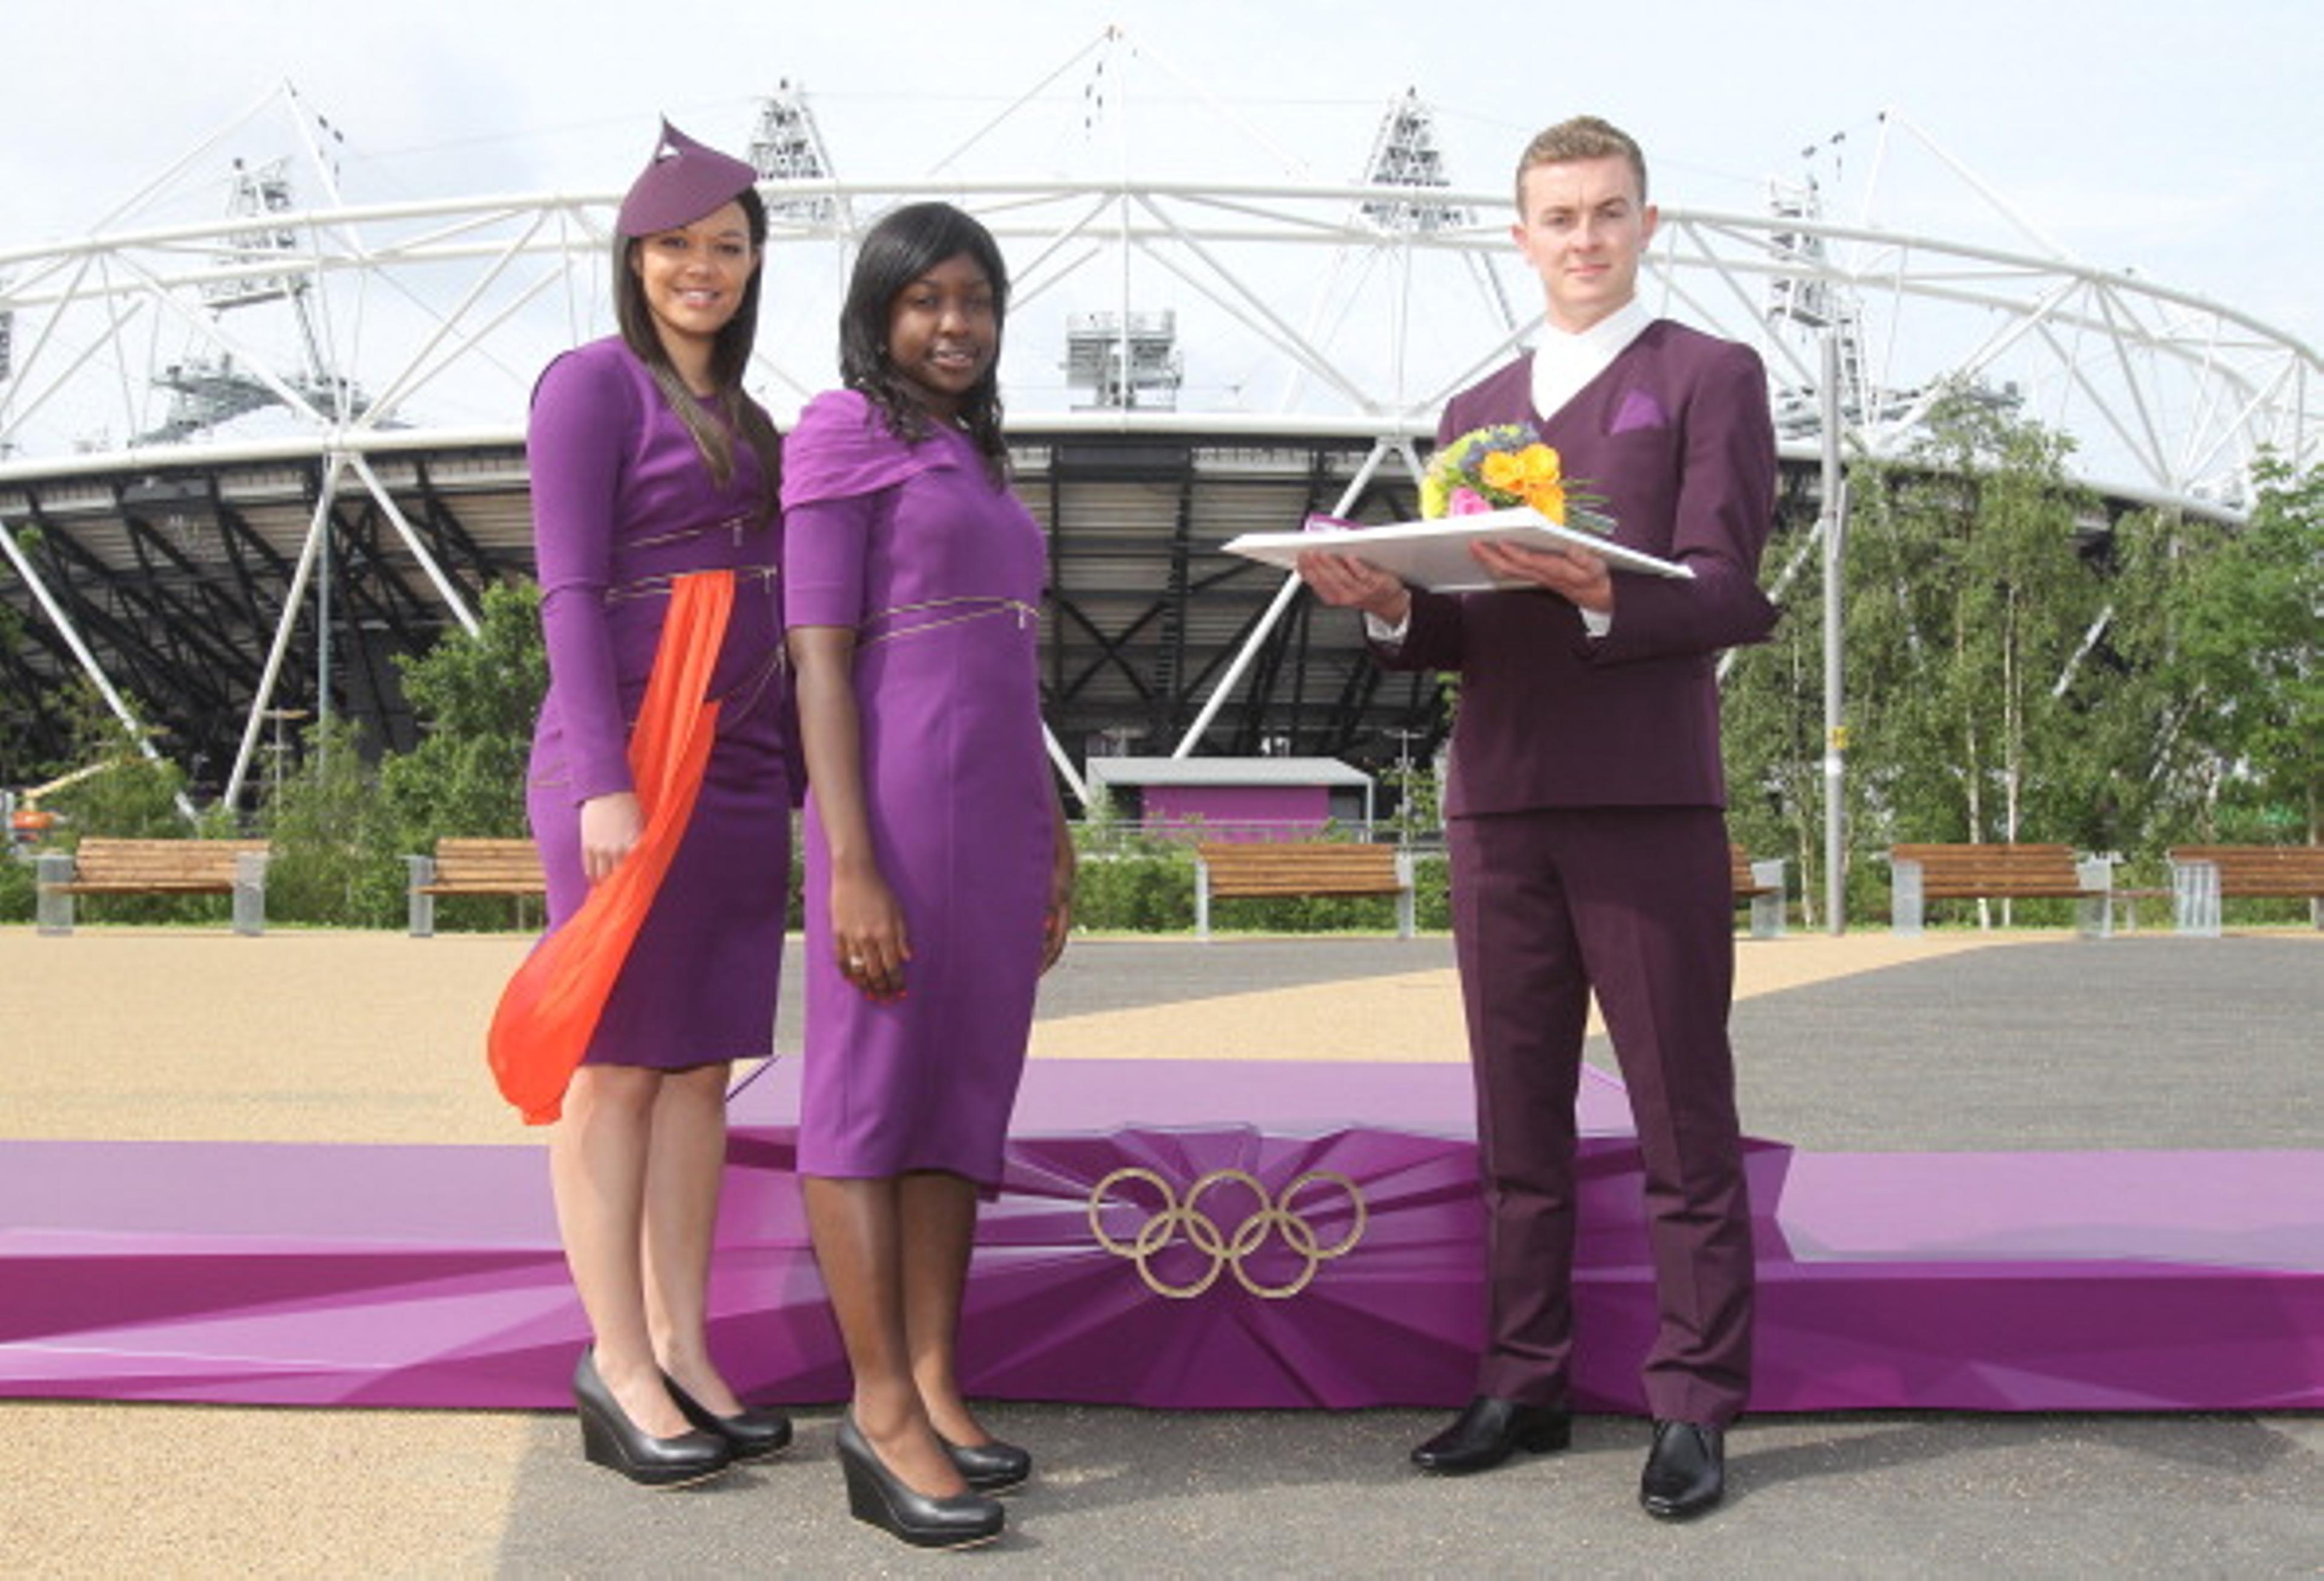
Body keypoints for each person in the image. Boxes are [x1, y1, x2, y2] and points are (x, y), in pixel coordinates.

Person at [1299, 114, 1778, 1520]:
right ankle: (1526, 1377)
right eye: (1558, 217)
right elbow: (1459, 628)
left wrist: (1594, 589)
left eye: (1608, 213)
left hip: (1644, 799)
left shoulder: (1707, 376)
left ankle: (1694, 1400)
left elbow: (1731, 588)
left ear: (1646, 224)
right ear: (1520, 237)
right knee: (1519, 1118)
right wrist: (1387, 601)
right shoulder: (1476, 414)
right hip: (1499, 801)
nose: (1584, 238)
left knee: (1682, 1112)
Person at [781, 201, 1075, 1550]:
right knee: (867, 1099)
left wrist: (1054, 827)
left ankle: (941, 1380)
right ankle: (879, 1405)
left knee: (960, 1096)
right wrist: (849, 862)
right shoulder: (846, 432)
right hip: (894, 810)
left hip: (998, 814)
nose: (956, 323)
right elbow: (822, 658)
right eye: (927, 300)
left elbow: (1011, 666)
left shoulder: (976, 455)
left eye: (978, 299)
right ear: (880, 313)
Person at [514, 120, 795, 1487]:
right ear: (636, 258)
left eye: (728, 247)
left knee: (700, 1070)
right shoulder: (590, 389)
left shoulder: (757, 425)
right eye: (679, 244)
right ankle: (616, 1358)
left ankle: (685, 1344)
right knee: (619, 1062)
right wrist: (605, 775)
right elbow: (569, 588)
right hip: (626, 759)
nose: (704, 268)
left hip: (739, 769)